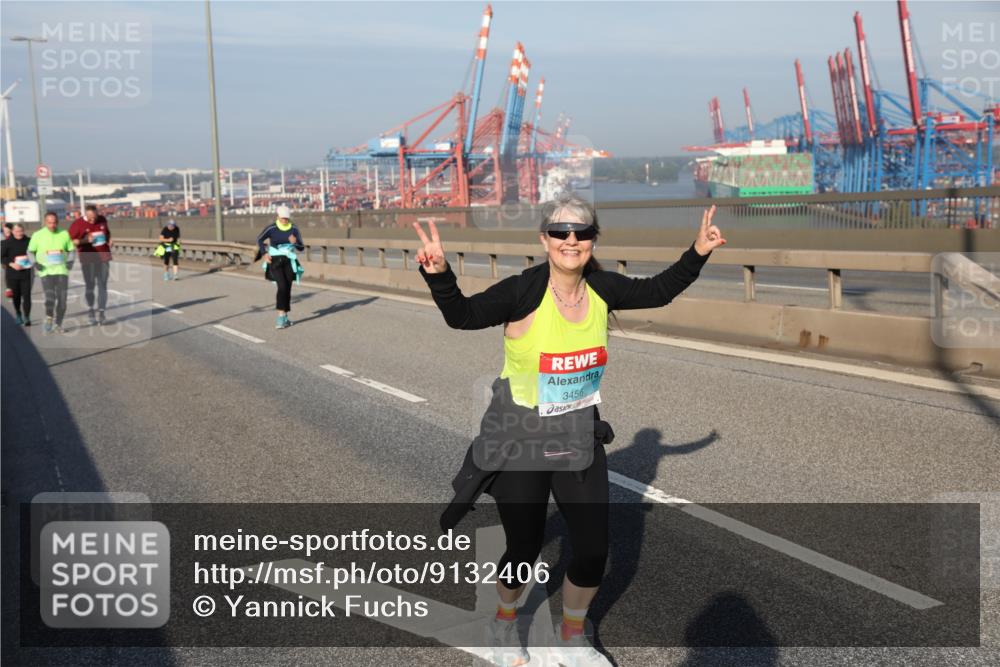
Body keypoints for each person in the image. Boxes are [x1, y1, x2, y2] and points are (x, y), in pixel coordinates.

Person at [414, 194, 725, 667]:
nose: (571, 240)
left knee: (594, 548)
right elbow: (464, 316)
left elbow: (659, 290)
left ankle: (572, 636)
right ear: (545, 240)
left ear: (592, 240)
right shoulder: (523, 291)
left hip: (578, 437)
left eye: (581, 232)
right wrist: (439, 274)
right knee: (523, 547)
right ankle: (501, 625)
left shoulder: (602, 289)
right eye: (560, 232)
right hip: (520, 438)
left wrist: (698, 250)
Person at [255, 205, 304, 329]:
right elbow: (259, 239)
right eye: (282, 218)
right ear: (277, 217)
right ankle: (280, 318)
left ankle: (285, 317)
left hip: (289, 261)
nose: (284, 220)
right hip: (275, 260)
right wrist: (264, 253)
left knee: (287, 288)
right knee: (282, 286)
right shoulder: (272, 228)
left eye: (286, 218)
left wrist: (295, 242)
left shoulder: (293, 229)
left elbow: (301, 248)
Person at [27, 212, 75, 334]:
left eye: (54, 222)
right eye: (49, 222)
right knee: (50, 298)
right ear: (45, 222)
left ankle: (58, 325)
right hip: (46, 271)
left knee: (62, 301)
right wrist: (35, 263)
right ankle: (49, 317)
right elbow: (30, 251)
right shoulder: (37, 235)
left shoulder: (64, 234)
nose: (52, 225)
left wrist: (70, 261)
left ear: (57, 222)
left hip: (61, 271)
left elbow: (72, 250)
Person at [69, 203, 113, 325]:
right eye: (90, 218)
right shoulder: (78, 224)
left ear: (97, 213)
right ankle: (91, 310)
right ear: (85, 215)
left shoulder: (102, 219)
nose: (93, 220)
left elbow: (107, 233)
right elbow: (71, 241)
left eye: (95, 217)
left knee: (103, 286)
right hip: (88, 259)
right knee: (90, 286)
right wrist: (85, 240)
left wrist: (109, 240)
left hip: (104, 257)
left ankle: (102, 313)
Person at [1, 223, 33, 325]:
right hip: (13, 273)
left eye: (21, 231)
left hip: (26, 272)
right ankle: (18, 314)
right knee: (16, 296)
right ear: (12, 231)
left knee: (27, 295)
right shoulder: (7, 243)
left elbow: (35, 252)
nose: (19, 233)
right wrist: (11, 264)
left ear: (24, 231)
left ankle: (27, 317)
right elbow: (2, 257)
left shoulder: (29, 241)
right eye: (17, 231)